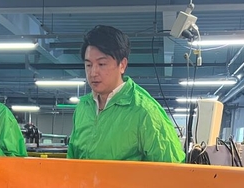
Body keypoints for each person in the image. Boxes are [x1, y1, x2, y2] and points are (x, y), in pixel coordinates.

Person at [67, 25, 184, 163]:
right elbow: (72, 161)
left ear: (122, 65)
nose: (93, 73)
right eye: (88, 65)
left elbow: (173, 171)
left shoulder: (145, 112)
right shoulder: (83, 107)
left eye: (102, 64)